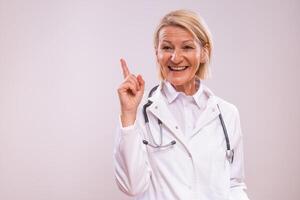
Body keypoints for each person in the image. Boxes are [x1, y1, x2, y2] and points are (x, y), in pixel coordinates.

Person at [114, 9, 249, 200]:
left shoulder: (227, 113)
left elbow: (234, 183)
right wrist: (128, 114)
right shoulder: (139, 111)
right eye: (167, 47)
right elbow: (131, 187)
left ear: (204, 52)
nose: (175, 58)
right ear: (157, 53)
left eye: (186, 47)